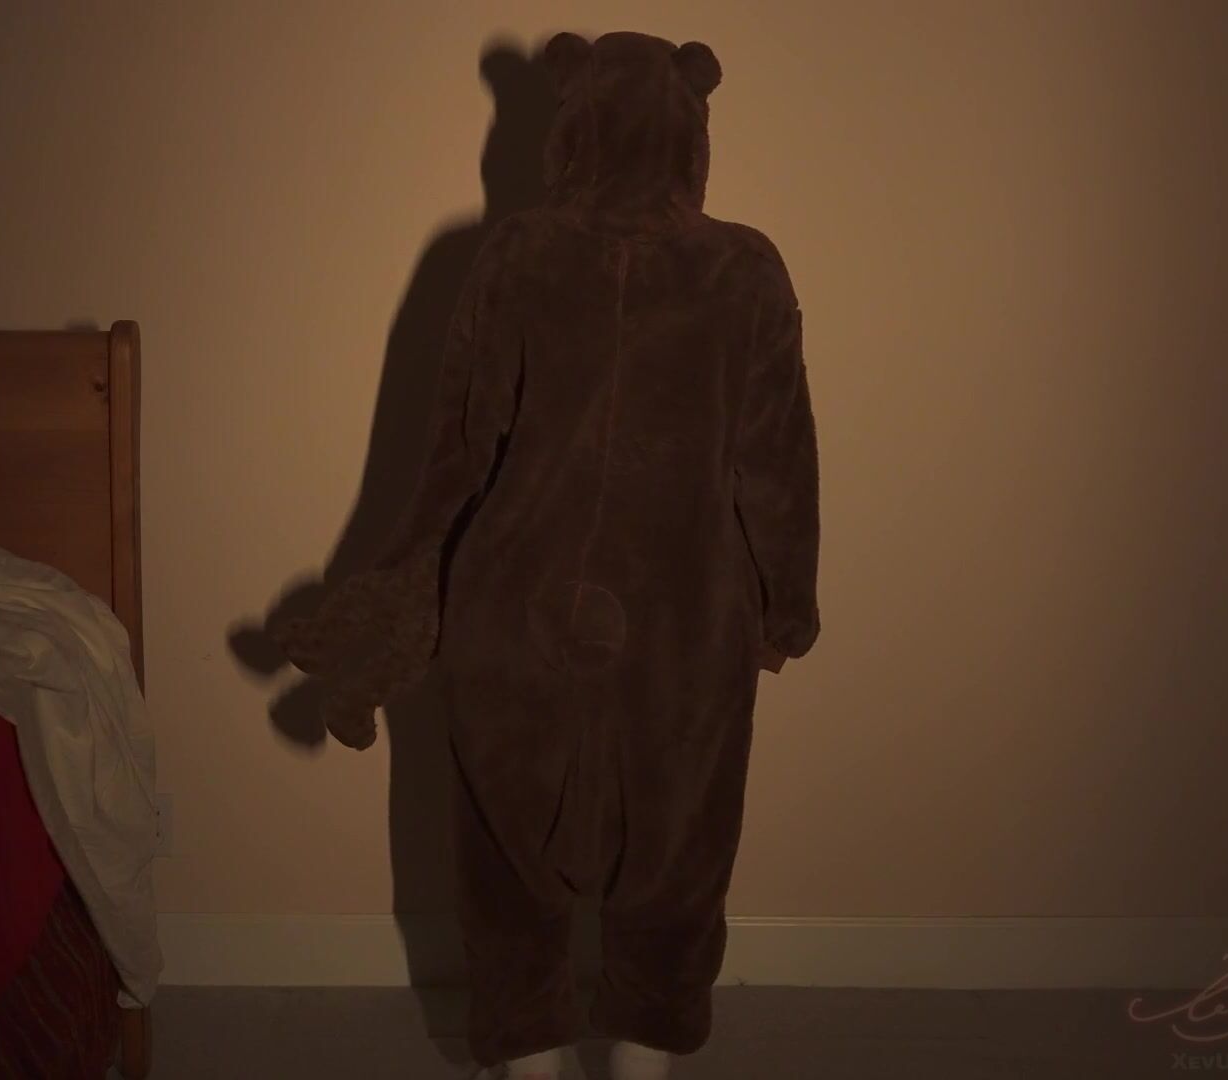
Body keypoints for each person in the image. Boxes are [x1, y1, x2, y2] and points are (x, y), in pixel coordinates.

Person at [274, 29, 820, 1080]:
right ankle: (645, 1055)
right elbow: (778, 464)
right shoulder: (746, 268)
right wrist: (787, 606)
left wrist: (400, 590)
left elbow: (457, 454)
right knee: (676, 854)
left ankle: (524, 1051)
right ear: (693, 129)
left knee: (508, 860)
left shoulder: (513, 254)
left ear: (570, 127)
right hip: (684, 617)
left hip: (514, 603)